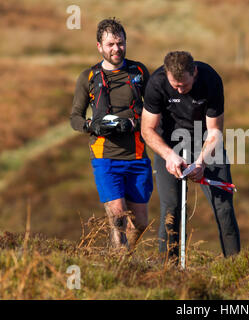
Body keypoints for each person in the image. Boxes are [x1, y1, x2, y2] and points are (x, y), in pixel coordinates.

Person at [141, 51, 240, 261]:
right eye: (175, 86)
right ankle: (167, 270)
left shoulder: (210, 80)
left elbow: (215, 131)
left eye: (184, 85)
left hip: (204, 141)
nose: (179, 89)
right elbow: (147, 130)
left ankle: (235, 264)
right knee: (171, 208)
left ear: (194, 73)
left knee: (223, 207)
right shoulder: (157, 83)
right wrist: (169, 155)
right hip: (169, 143)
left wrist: (200, 162)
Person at [70, 18, 152, 252]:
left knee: (141, 223)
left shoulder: (139, 71)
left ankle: (124, 256)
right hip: (105, 157)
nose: (116, 49)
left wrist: (133, 124)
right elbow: (74, 116)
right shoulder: (88, 77)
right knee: (117, 218)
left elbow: (155, 111)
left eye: (120, 43)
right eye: (110, 45)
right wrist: (91, 126)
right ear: (99, 46)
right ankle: (120, 264)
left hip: (137, 155)